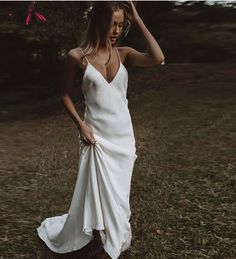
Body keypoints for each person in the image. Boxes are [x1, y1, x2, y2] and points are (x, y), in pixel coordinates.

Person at [36, 1, 165, 259]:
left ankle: (109, 241)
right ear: (98, 23)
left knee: (119, 194)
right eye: (111, 24)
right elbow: (63, 94)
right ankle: (100, 242)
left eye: (120, 24)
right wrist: (81, 125)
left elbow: (158, 58)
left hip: (123, 136)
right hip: (95, 135)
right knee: (95, 191)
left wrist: (137, 18)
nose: (116, 30)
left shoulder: (125, 53)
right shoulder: (77, 57)